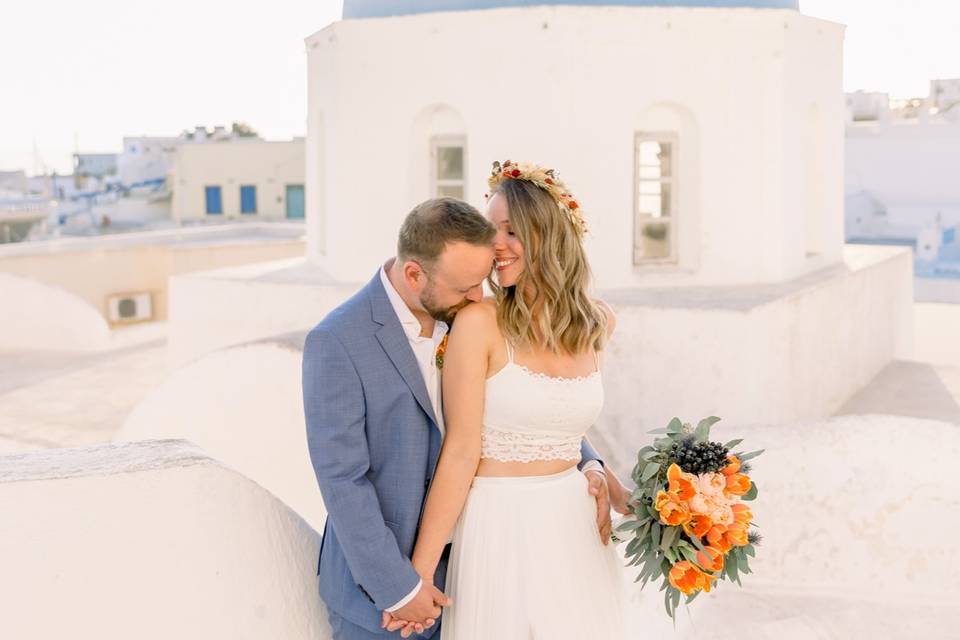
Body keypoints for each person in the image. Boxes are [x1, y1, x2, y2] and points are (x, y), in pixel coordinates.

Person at [303, 196, 624, 639]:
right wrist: (400, 589)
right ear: (415, 274)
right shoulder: (338, 342)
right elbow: (342, 480)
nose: (478, 295)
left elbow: (524, 411)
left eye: (481, 282)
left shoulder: (463, 311)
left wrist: (589, 465)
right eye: (465, 288)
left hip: (474, 566)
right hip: (382, 593)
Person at [386, 162, 629, 639]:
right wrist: (416, 576)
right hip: (499, 529)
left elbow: (563, 426)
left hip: (576, 530)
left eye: (511, 230)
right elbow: (459, 453)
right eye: (489, 230)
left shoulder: (597, 323)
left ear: (551, 237)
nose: (494, 245)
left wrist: (639, 501)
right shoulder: (479, 322)